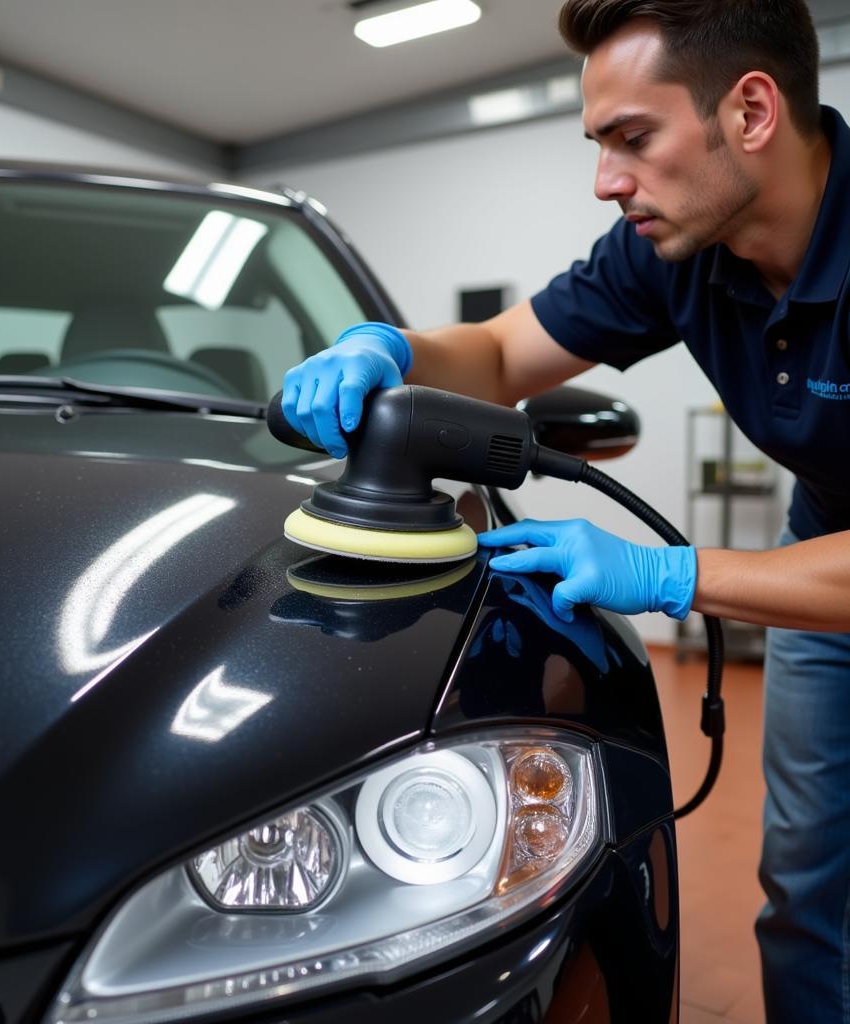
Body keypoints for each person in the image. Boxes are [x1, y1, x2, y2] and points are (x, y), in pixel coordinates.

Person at [280, 0, 850, 1019]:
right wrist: (391, 349)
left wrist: (670, 575)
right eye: (598, 144)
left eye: (633, 139)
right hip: (823, 541)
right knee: (807, 886)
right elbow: (500, 356)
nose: (606, 181)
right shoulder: (672, 250)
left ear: (751, 110)